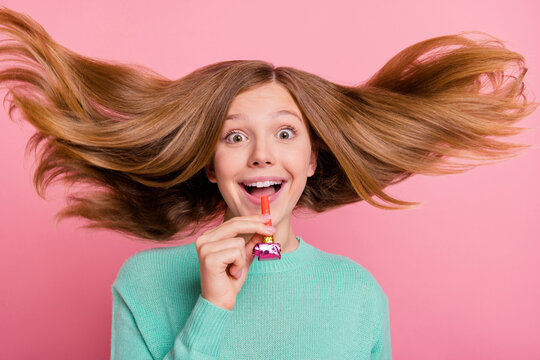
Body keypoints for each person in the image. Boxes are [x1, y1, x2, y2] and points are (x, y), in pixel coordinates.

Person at [0, 6, 537, 360]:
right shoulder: (144, 283)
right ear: (210, 164)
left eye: (285, 133)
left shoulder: (354, 293)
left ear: (310, 159)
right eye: (234, 138)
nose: (261, 155)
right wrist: (211, 308)